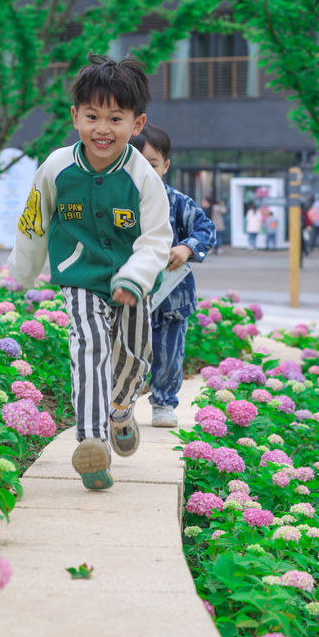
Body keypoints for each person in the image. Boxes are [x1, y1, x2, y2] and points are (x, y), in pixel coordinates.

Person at [8, 53, 172, 491]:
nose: (103, 128)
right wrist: (23, 272)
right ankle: (92, 444)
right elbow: (35, 219)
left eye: (115, 118)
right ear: (75, 117)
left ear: (136, 125)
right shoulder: (57, 167)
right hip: (78, 276)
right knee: (90, 345)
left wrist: (135, 275)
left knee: (135, 359)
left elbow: (157, 237)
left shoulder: (143, 177)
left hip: (133, 285)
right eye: (92, 116)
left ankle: (121, 409)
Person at [131, 124, 216, 428]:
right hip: (130, 296)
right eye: (135, 164)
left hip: (172, 296)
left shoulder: (178, 201)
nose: (143, 171)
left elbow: (206, 230)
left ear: (165, 166)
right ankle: (123, 402)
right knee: (129, 352)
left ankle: (164, 402)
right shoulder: (117, 203)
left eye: (151, 164)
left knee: (169, 353)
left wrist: (187, 248)